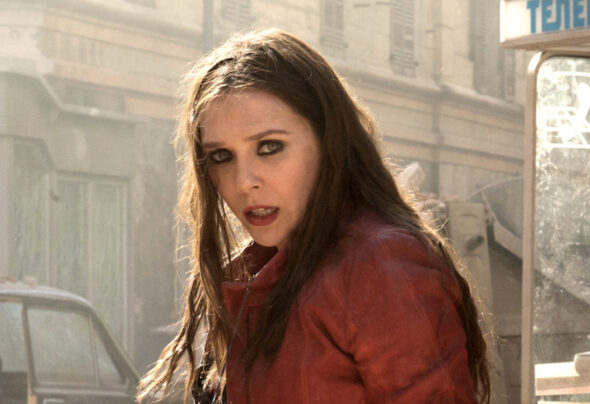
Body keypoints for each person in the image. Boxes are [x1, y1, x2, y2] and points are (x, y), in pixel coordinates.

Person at [137, 29, 490, 404]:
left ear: (328, 142)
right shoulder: (253, 274)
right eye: (221, 156)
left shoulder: (378, 265)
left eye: (269, 147)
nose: (243, 182)